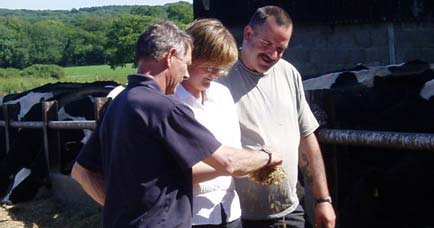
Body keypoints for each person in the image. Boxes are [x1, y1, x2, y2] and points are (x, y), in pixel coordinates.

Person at [71, 21, 282, 228]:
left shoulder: (120, 101)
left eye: (222, 70)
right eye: (187, 63)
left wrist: (124, 212)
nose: (187, 73)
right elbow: (229, 162)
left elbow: (81, 172)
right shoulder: (164, 106)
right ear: (171, 56)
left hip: (222, 211)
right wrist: (267, 157)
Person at [219, 6, 336, 228]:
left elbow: (307, 139)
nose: (272, 55)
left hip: (289, 213)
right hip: (239, 218)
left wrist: (323, 199)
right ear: (248, 34)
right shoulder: (220, 77)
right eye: (266, 44)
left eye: (281, 49)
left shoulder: (288, 73)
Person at [174, 18, 242, 227]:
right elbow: (179, 171)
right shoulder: (170, 101)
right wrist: (233, 165)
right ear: (191, 57)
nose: (217, 75)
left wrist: (238, 162)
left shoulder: (222, 95)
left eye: (222, 69)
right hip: (190, 216)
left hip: (229, 211)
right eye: (211, 67)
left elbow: (234, 149)